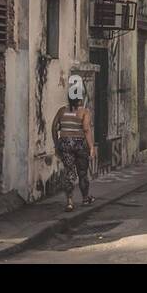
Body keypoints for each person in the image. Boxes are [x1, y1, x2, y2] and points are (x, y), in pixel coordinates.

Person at [52, 80, 96, 212]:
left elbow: (54, 127)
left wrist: (56, 144)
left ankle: (70, 202)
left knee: (69, 172)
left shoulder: (62, 111)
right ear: (80, 98)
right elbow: (87, 129)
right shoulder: (84, 112)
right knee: (82, 172)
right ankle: (85, 198)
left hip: (65, 144)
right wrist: (92, 147)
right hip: (79, 144)